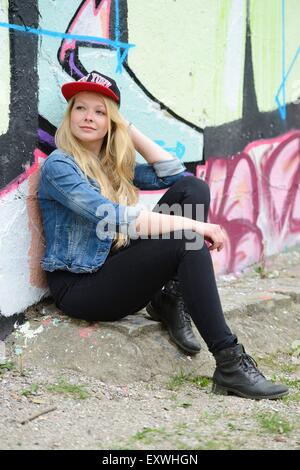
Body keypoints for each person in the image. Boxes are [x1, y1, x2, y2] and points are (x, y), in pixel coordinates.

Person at [38, 70, 288, 400]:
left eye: (100, 112)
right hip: (81, 287)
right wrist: (195, 227)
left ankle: (170, 297)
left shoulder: (110, 165)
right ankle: (229, 362)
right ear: (69, 115)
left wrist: (126, 128)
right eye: (80, 108)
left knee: (192, 188)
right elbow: (115, 218)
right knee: (188, 240)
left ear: (111, 122)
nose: (88, 117)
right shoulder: (60, 166)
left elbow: (172, 172)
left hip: (111, 266)